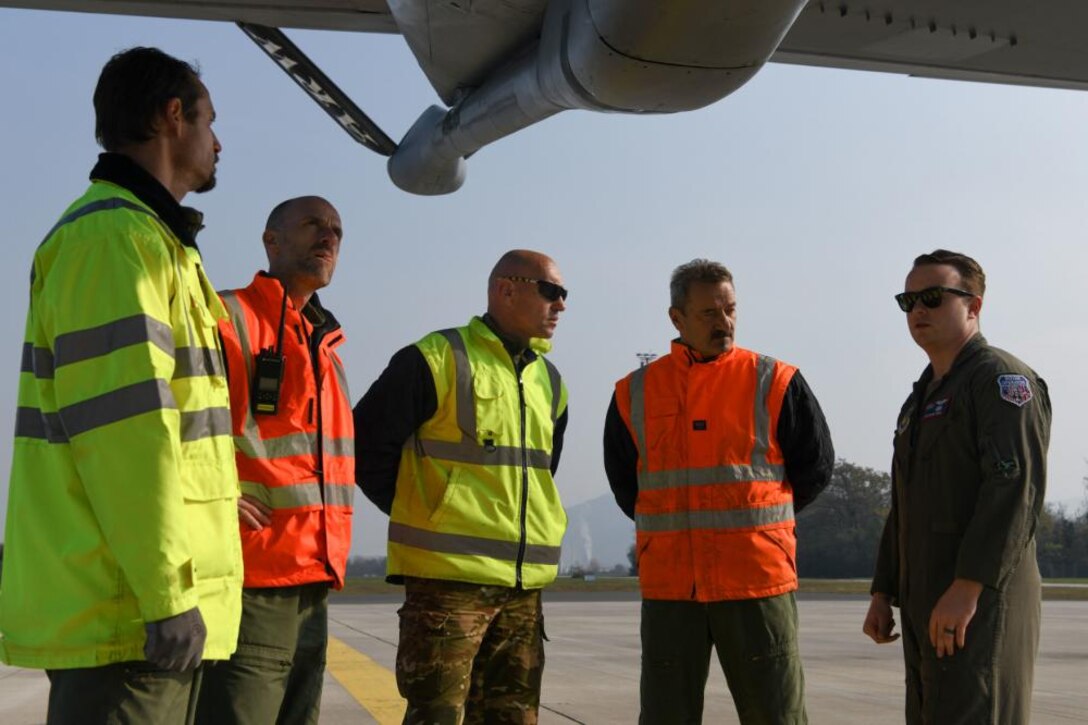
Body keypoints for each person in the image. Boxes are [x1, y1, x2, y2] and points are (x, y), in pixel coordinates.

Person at [0, 47, 242, 724]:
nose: (218, 142)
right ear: (172, 117)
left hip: (144, 616)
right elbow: (125, 437)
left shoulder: (154, 242)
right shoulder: (114, 240)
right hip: (129, 617)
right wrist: (167, 594)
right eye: (208, 121)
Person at [604, 258, 833, 725]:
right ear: (677, 318)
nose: (723, 322)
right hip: (672, 588)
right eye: (709, 313)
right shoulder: (635, 392)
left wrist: (758, 526)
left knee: (777, 713)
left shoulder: (775, 380)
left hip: (756, 581)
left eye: (730, 309)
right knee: (666, 714)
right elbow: (627, 486)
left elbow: (815, 468)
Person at [354, 250, 569, 724]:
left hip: (522, 589)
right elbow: (365, 445)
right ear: (506, 289)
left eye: (563, 295)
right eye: (551, 291)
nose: (561, 305)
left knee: (513, 717)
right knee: (439, 715)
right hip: (449, 588)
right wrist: (426, 511)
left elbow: (541, 473)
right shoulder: (435, 358)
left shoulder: (549, 382)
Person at [863, 250, 1050, 724]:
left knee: (977, 711)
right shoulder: (922, 396)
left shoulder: (1001, 380)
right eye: (908, 301)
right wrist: (883, 592)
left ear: (974, 306)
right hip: (927, 595)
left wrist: (968, 587)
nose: (918, 311)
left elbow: (1014, 488)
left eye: (932, 297)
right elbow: (905, 503)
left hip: (982, 598)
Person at [194, 196, 354, 723]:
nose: (328, 237)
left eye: (335, 230)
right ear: (272, 241)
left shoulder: (326, 349)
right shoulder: (226, 318)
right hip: (253, 575)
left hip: (313, 577)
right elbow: (168, 420)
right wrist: (216, 495)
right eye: (312, 225)